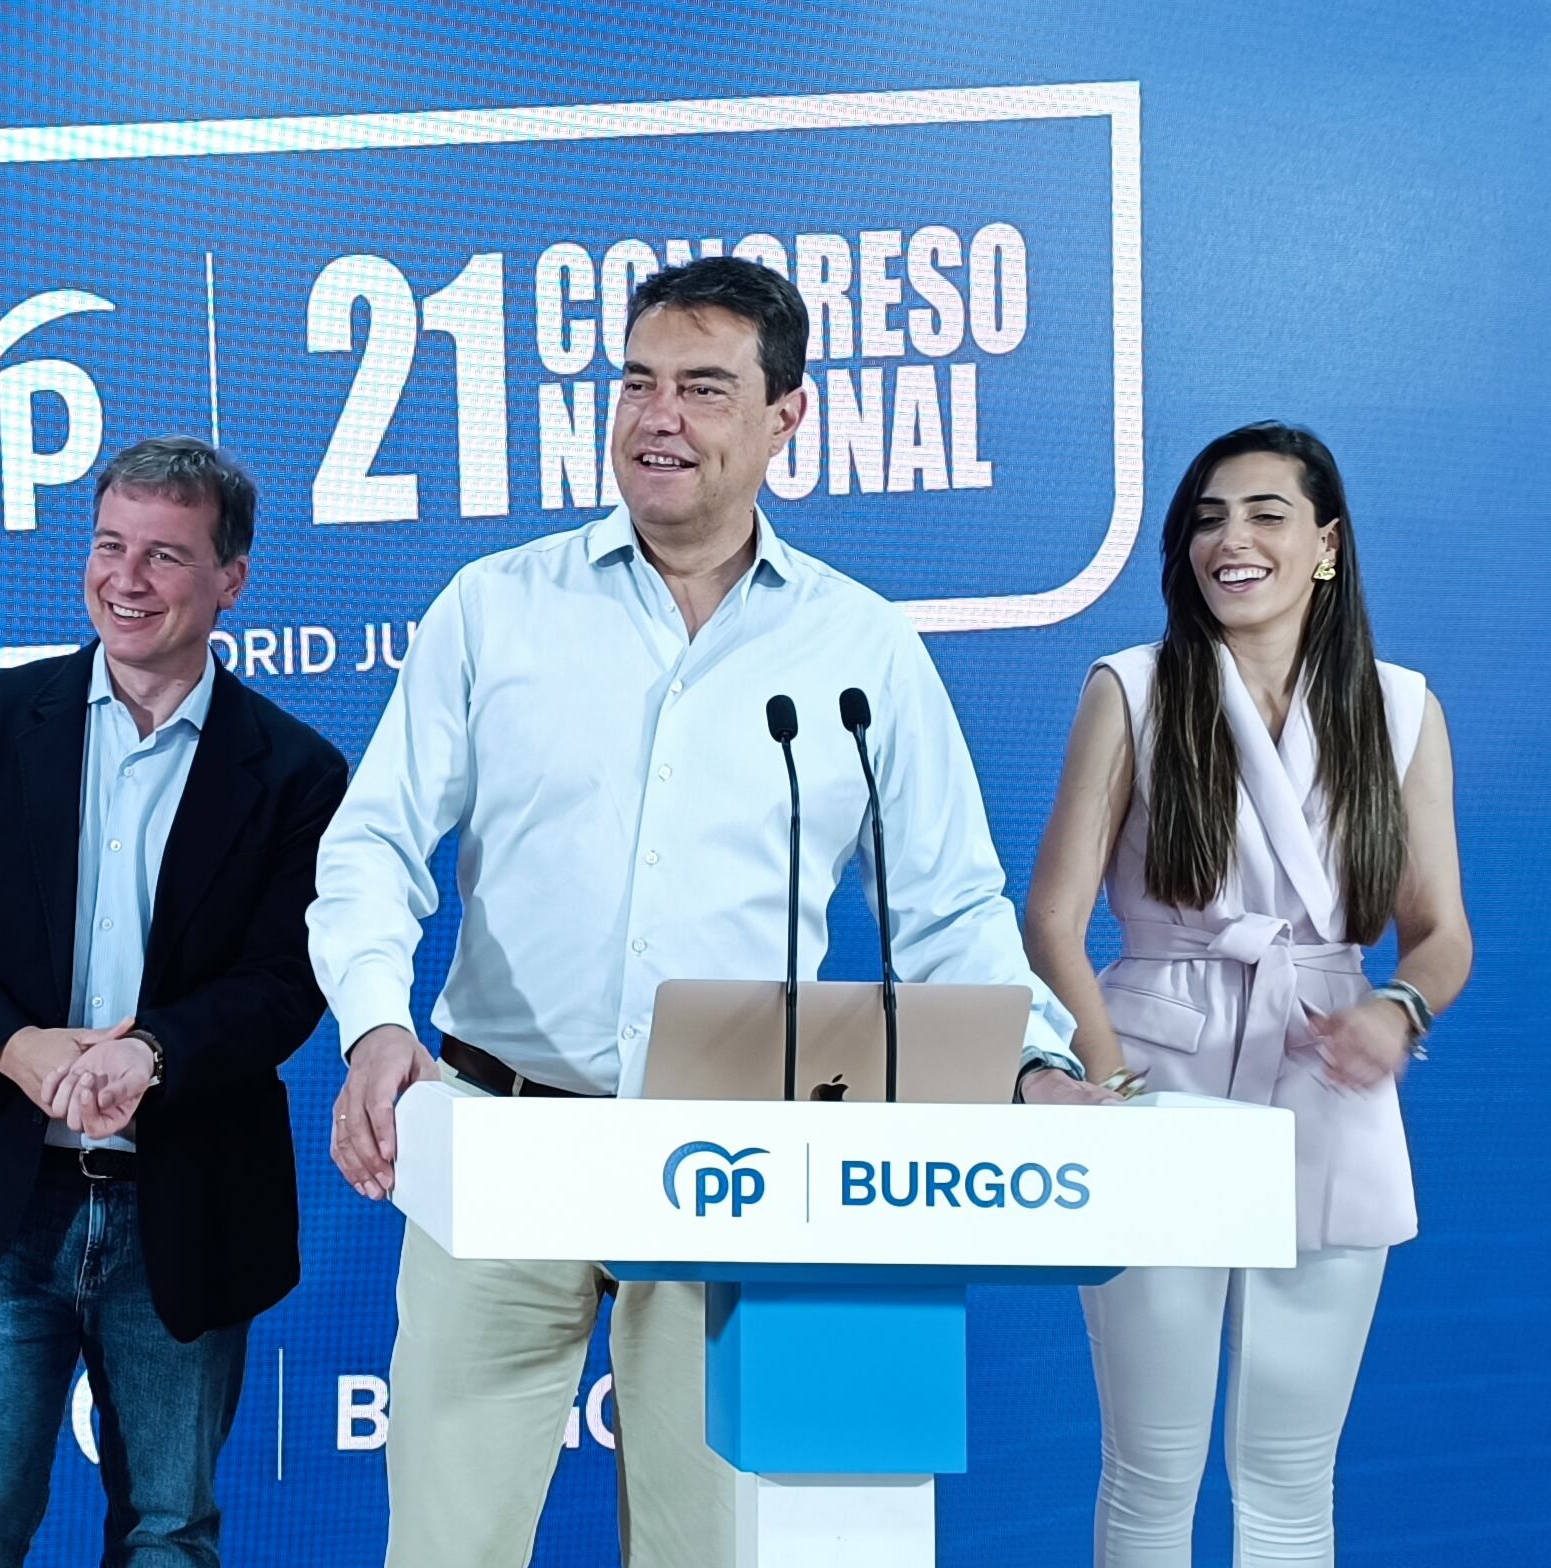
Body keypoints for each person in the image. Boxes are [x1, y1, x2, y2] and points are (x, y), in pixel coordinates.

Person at [308, 255, 1101, 1568]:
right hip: (502, 1142)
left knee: (712, 1551)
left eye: (699, 387)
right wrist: (372, 1024)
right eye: (633, 382)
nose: (655, 415)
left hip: (743, 1166)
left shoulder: (860, 652)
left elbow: (949, 905)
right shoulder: (492, 611)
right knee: (442, 1550)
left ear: (786, 417)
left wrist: (1026, 1058)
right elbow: (373, 843)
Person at [0, 437, 348, 1567]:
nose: (124, 578)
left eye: (165, 555)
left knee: (170, 1536)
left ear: (232, 578)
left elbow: (289, 978)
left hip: (181, 1208)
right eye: (109, 544)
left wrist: (159, 1054)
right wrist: (15, 1047)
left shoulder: (297, 772)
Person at [1023, 421, 1473, 1566]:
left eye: (1267, 513)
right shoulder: (1131, 686)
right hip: (1154, 1076)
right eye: (1208, 518)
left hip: (1327, 1083)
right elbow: (1053, 919)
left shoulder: (1405, 709)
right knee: (1151, 1465)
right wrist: (1106, 1074)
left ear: (1326, 543)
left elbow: (1439, 933)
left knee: (1288, 1475)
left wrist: (1397, 1010)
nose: (1233, 539)